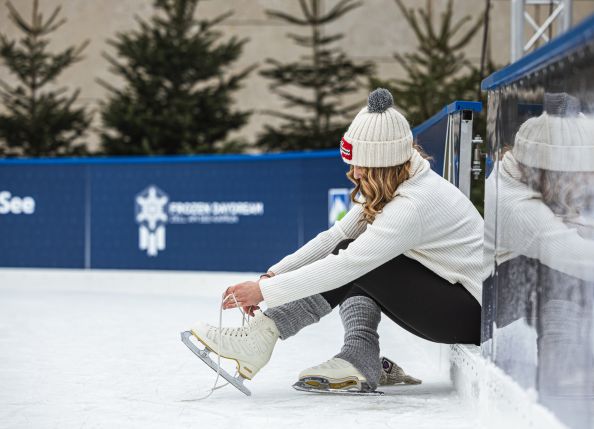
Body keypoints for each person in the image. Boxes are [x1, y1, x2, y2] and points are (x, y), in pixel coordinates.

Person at [188, 88, 484, 392]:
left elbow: (347, 263)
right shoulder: (401, 181)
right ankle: (359, 356)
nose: (353, 172)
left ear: (382, 161)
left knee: (360, 262)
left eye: (360, 164)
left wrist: (265, 292)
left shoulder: (413, 205)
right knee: (356, 254)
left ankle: (260, 339)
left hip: (471, 313)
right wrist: (275, 274)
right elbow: (335, 236)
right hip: (454, 300)